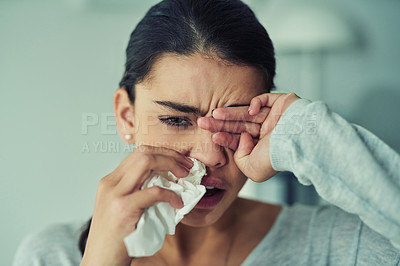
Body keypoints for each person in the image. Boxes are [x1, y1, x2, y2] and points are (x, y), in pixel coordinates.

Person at [13, 0, 400, 265]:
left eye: (236, 122)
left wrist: (307, 134)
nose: (211, 156)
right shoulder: (54, 255)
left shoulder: (332, 245)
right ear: (127, 117)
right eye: (176, 120)